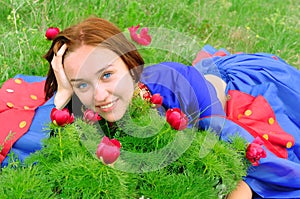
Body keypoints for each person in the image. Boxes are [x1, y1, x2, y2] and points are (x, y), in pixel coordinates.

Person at [1, 16, 300, 198]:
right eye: (82, 83)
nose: (101, 95)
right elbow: (34, 151)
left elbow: (240, 177)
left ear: (129, 64)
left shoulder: (173, 90)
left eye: (107, 75)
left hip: (227, 92)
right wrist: (63, 93)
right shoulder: (82, 106)